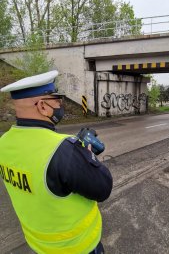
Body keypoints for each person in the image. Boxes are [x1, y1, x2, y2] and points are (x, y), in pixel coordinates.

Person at [0, 70, 113, 254]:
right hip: (78, 247)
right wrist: (85, 155)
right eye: (56, 100)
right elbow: (103, 188)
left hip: (38, 246)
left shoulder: (3, 143)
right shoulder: (65, 150)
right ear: (43, 106)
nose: (61, 105)